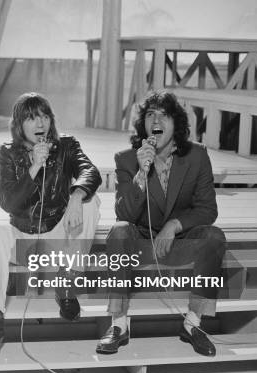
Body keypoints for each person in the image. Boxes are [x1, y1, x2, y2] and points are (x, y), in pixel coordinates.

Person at [96, 90, 226, 357]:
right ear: (143, 124)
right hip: (142, 243)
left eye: (164, 115)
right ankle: (119, 324)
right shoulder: (126, 159)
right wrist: (141, 175)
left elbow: (207, 209)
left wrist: (174, 225)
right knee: (119, 232)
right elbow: (125, 214)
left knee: (214, 236)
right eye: (150, 114)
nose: (157, 119)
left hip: (179, 242)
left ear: (176, 124)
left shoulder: (197, 156)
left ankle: (193, 324)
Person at [0, 92, 102, 366]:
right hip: (24, 239)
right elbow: (7, 201)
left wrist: (76, 198)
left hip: (57, 236)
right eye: (31, 118)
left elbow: (90, 172)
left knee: (91, 203)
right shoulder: (8, 153)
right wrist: (34, 167)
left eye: (44, 116)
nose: (39, 123)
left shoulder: (67, 146)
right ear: (20, 124)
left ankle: (67, 283)